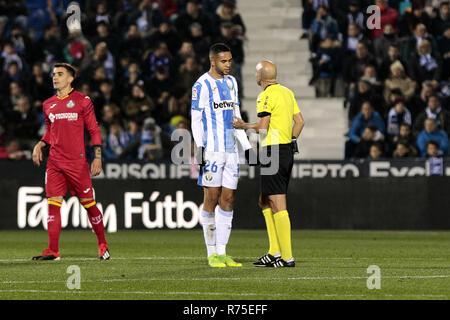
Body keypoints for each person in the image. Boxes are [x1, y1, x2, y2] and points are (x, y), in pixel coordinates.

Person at [31, 62, 110, 261]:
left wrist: (97, 157)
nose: (54, 77)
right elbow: (50, 131)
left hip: (77, 163)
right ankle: (53, 251)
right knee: (53, 204)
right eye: (53, 74)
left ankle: (102, 244)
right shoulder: (48, 104)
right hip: (55, 162)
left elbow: (93, 129)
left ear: (70, 78)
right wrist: (40, 144)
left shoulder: (82, 101)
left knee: (89, 204)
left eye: (59, 74)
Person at [232, 60, 305, 268]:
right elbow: (300, 122)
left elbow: (262, 127)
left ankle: (287, 257)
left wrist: (243, 126)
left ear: (261, 77)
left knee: (277, 202)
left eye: (256, 73)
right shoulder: (287, 92)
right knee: (264, 201)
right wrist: (290, 140)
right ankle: (274, 251)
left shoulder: (265, 95)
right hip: (285, 150)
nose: (255, 76)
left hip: (274, 152)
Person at [191, 43, 251, 268]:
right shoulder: (202, 84)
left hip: (231, 152)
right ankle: (211, 254)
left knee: (228, 200)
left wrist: (246, 147)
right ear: (212, 61)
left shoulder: (232, 83)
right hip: (213, 151)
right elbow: (196, 119)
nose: (228, 64)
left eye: (230, 60)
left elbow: (236, 117)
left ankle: (223, 252)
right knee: (211, 198)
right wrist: (200, 149)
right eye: (224, 61)